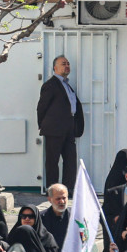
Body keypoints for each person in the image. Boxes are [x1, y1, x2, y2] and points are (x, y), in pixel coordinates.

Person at [36, 52, 82, 191]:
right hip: (54, 129)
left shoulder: (67, 85)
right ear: (55, 68)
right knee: (52, 162)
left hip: (69, 128)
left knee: (70, 162)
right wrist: (43, 125)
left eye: (68, 64)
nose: (67, 66)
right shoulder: (50, 85)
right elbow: (41, 107)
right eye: (63, 64)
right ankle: (53, 191)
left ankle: (68, 191)